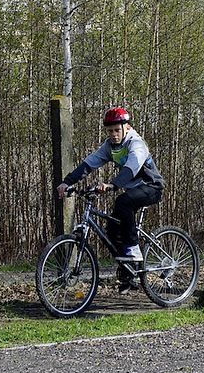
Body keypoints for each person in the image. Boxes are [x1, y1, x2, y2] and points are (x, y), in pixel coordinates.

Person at [56, 107, 165, 289]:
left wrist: (112, 185)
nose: (113, 134)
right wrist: (67, 182)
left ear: (127, 127)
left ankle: (134, 250)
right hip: (132, 189)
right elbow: (88, 164)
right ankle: (128, 270)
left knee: (123, 202)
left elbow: (131, 168)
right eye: (110, 131)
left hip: (151, 186)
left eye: (117, 130)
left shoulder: (136, 143)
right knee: (113, 227)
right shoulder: (110, 146)